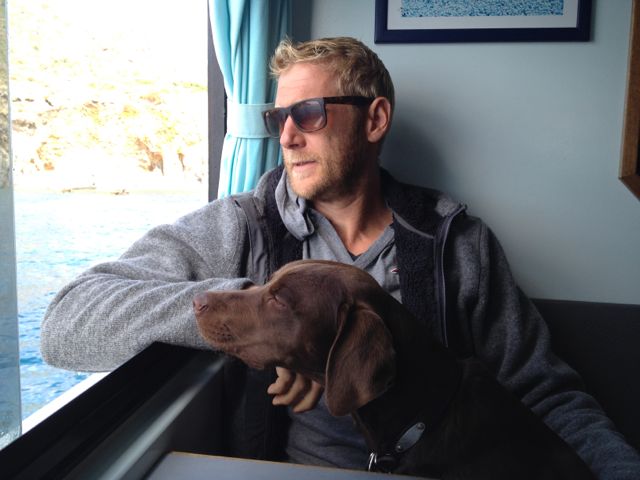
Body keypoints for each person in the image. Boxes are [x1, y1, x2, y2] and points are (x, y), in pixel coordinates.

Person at [42, 37, 639, 478]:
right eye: (278, 118)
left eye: (308, 113)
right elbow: (66, 324)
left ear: (374, 119)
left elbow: (545, 393)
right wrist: (265, 318)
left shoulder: (457, 243)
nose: (287, 136)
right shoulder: (240, 225)